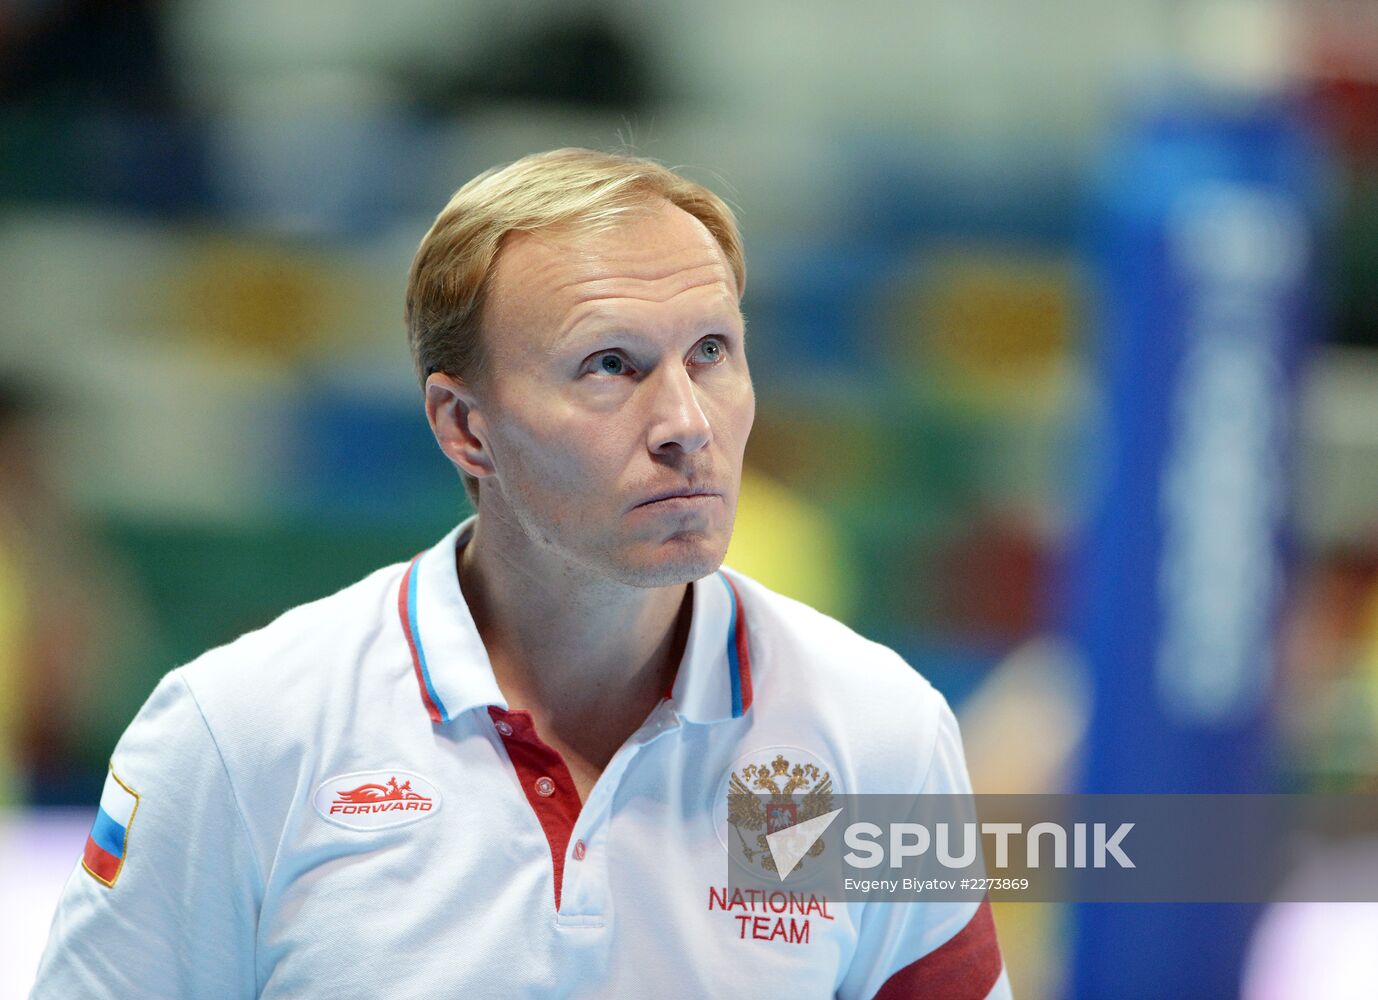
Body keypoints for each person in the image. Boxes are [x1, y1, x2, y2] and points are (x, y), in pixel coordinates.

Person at [31, 148, 1011, 998]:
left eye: (711, 351)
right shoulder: (238, 734)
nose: (686, 422)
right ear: (465, 427)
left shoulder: (878, 731)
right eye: (610, 366)